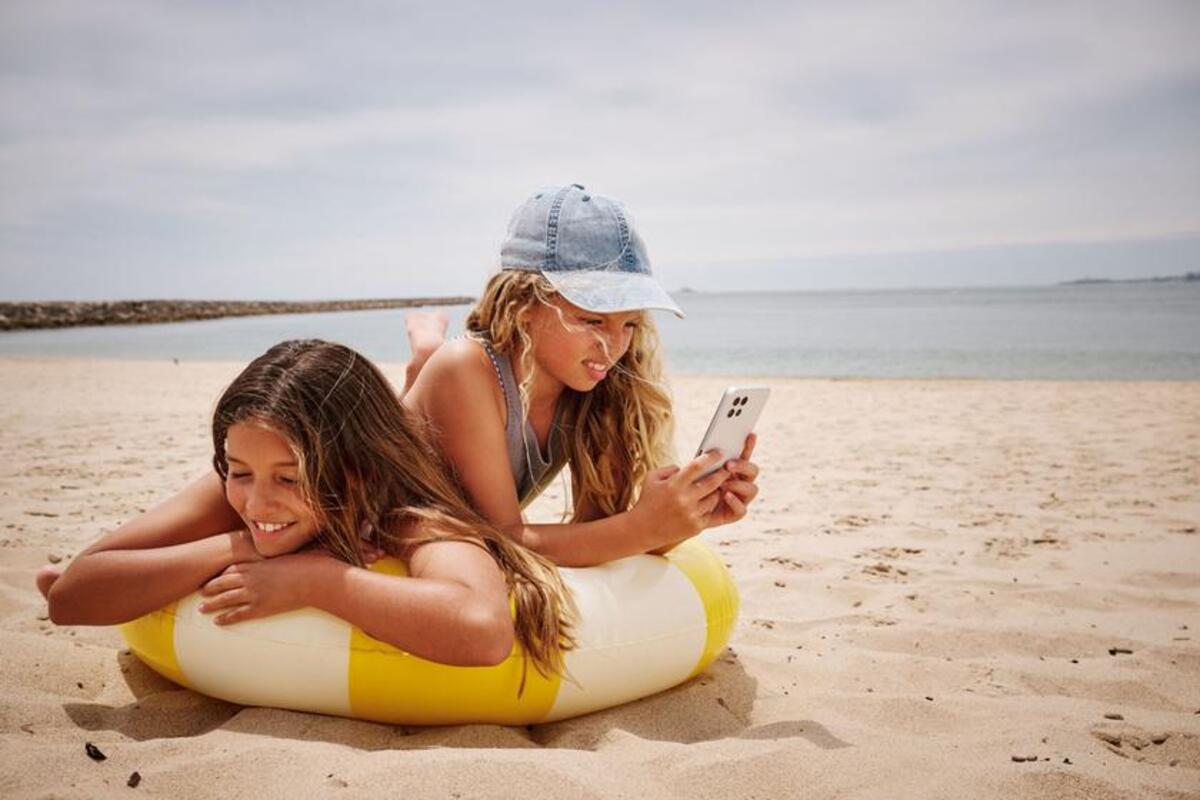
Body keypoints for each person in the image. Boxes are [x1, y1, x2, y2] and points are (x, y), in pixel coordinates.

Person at [39, 340, 574, 676]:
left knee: (415, 386)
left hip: (418, 453)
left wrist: (317, 581)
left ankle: (424, 353)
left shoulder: (407, 511)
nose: (256, 501)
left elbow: (482, 631)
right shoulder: (246, 479)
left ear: (356, 472)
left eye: (290, 479)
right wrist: (239, 543)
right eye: (238, 471)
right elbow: (67, 598)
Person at [402, 184, 761, 567]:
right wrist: (642, 527)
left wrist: (687, 517)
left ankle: (424, 353)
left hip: (461, 518)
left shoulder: (593, 386)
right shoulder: (464, 370)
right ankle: (424, 351)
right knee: (435, 361)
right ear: (524, 305)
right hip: (379, 517)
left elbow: (598, 533)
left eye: (629, 325)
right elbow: (501, 538)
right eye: (592, 319)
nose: (613, 347)